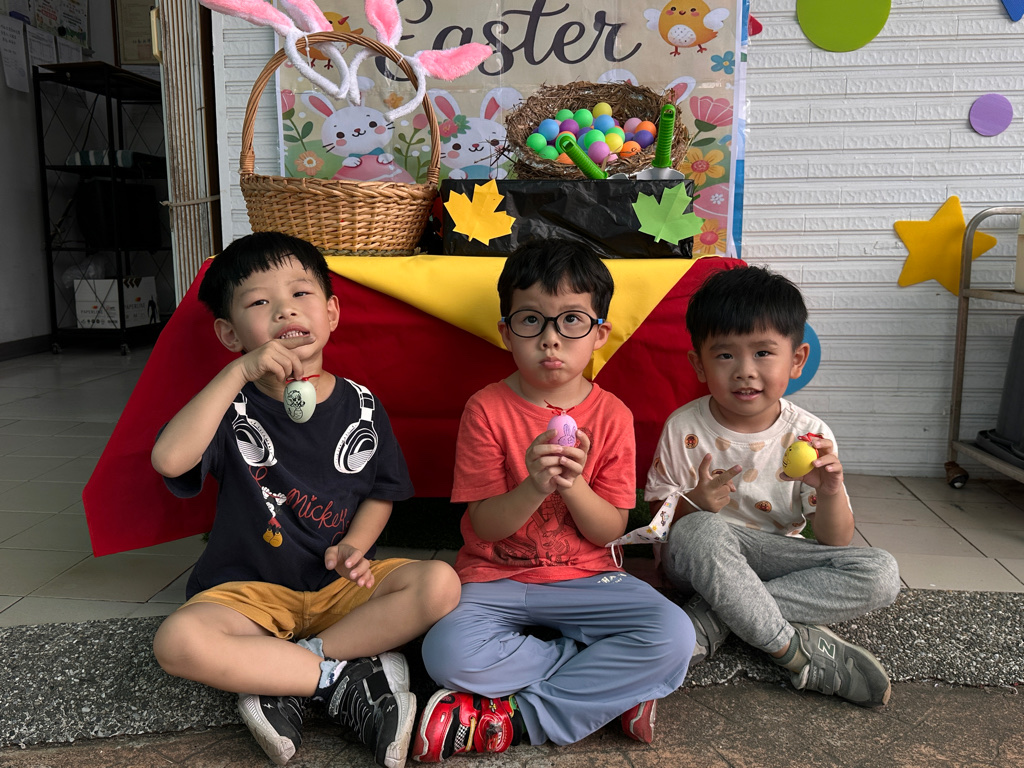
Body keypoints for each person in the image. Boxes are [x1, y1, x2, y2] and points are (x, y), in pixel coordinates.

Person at [150, 232, 461, 768]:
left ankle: (293, 671)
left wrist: (356, 546)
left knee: (441, 583)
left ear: (332, 312)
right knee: (177, 641)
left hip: (338, 590)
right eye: (258, 302)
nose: (285, 310)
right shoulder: (228, 406)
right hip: (249, 596)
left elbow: (381, 493)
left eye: (300, 294)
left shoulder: (363, 406)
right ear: (229, 333)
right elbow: (169, 460)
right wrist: (238, 372)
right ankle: (341, 681)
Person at [412, 240, 695, 762]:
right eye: (531, 321)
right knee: (445, 655)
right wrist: (534, 486)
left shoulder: (612, 415)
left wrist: (572, 484)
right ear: (506, 332)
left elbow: (609, 531)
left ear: (599, 334)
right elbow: (486, 526)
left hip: (587, 578)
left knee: (675, 635)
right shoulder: (486, 409)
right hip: (495, 578)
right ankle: (606, 685)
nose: (550, 339)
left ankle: (519, 717)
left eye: (571, 321)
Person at [645, 264, 901, 708]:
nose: (745, 371)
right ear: (699, 364)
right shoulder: (684, 427)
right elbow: (658, 526)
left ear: (796, 360)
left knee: (881, 573)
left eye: (763, 353)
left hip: (774, 559)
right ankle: (793, 652)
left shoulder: (808, 435)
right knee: (703, 529)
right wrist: (694, 504)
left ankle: (714, 621)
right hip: (699, 562)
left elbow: (835, 541)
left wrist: (831, 490)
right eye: (725, 356)